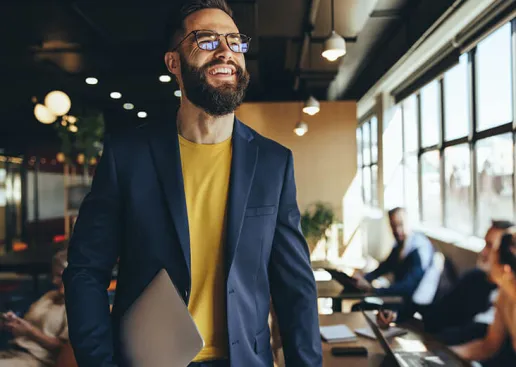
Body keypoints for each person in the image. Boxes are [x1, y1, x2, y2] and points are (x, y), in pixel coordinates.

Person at [62, 1, 322, 367]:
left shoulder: (274, 163)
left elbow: (295, 287)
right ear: (173, 63)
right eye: (206, 40)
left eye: (234, 41)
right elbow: (86, 270)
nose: (226, 51)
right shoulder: (128, 157)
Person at [378, 220, 514, 345]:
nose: (483, 252)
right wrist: (397, 314)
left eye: (490, 246)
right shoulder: (474, 278)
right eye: (484, 244)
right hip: (446, 350)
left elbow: (478, 337)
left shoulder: (506, 295)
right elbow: (438, 312)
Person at [450, 230, 516, 366]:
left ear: (505, 270)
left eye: (495, 252)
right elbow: (489, 345)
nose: (489, 256)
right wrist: (444, 354)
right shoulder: (504, 294)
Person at [0, 249, 69, 367]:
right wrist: (12, 323)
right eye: (53, 275)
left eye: (59, 276)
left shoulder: (77, 308)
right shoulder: (50, 296)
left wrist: (29, 331)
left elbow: (64, 350)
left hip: (37, 360)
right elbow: (27, 323)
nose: (53, 281)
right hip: (14, 352)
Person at [354, 207, 434, 298]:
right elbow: (385, 267)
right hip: (402, 298)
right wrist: (363, 279)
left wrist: (374, 290)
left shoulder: (418, 249)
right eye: (393, 226)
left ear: (409, 223)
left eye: (400, 225)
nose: (397, 230)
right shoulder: (399, 245)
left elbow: (408, 287)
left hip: (417, 303)